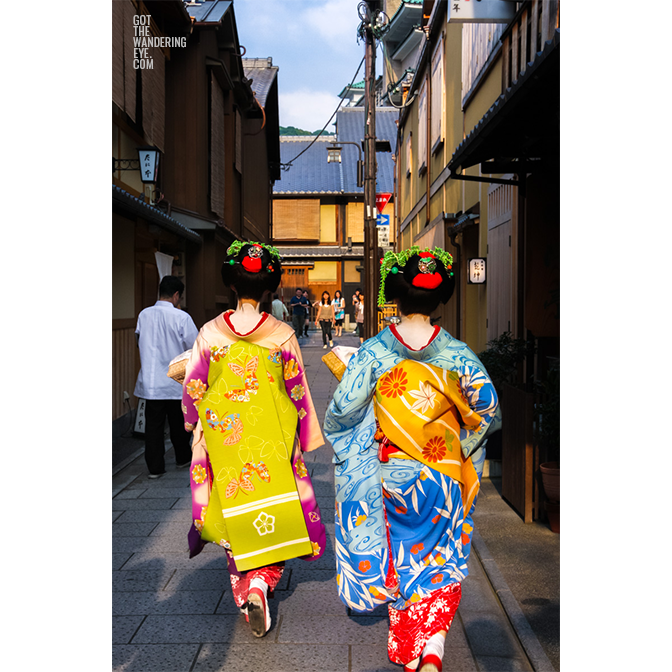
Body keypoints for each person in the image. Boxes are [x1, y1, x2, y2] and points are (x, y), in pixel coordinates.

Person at [323, 247, 501, 672]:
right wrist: (456, 451)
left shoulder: (375, 352)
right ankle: (434, 646)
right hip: (439, 476)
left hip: (390, 474)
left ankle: (412, 652)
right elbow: (487, 410)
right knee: (441, 560)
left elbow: (341, 415)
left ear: (396, 297)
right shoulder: (458, 354)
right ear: (441, 299)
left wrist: (368, 434)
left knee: (402, 560)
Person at [181, 241, 326, 639]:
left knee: (231, 513)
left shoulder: (210, 333)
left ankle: (247, 587)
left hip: (225, 441)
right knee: (274, 515)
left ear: (231, 283)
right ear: (268, 287)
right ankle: (262, 583)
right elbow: (298, 391)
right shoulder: (281, 334)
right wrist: (306, 435)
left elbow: (194, 386)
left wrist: (192, 424)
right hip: (272, 441)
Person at [134, 275, 199, 478]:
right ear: (176, 295)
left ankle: (155, 468)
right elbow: (194, 346)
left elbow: (138, 340)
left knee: (153, 427)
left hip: (151, 382)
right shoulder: (181, 317)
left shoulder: (144, 315)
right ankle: (182, 458)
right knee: (179, 422)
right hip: (175, 381)